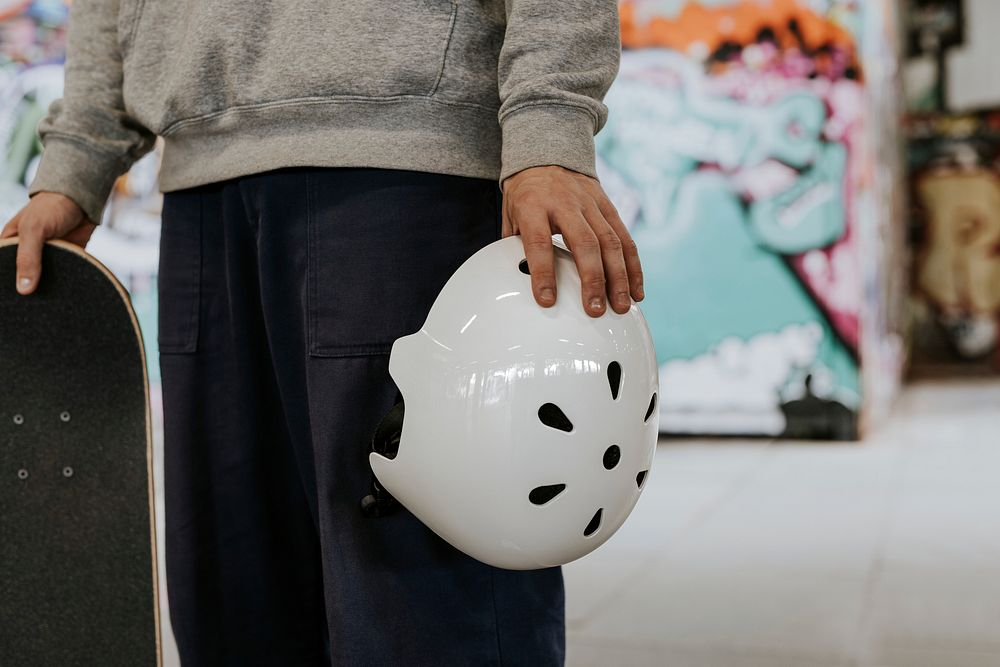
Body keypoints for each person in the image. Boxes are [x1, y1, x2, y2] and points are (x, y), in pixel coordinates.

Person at [1, 1, 643, 664]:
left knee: (425, 616)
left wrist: (550, 124)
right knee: (238, 611)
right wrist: (78, 157)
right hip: (201, 186)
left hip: (403, 164)